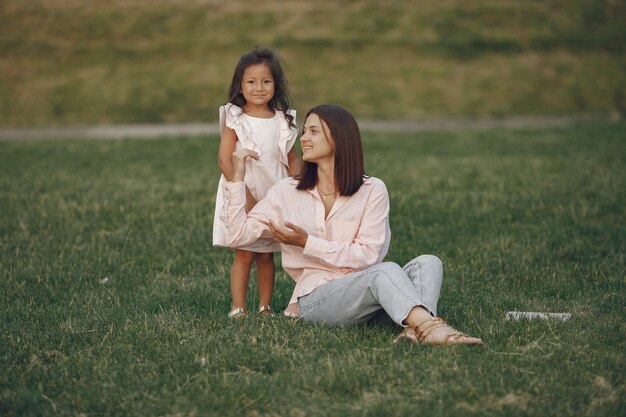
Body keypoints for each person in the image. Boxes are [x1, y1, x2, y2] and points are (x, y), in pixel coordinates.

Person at [218, 104, 483, 345]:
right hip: (316, 298)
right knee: (384, 272)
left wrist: (306, 243)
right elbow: (236, 235)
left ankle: (413, 330)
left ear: (339, 138)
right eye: (304, 132)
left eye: (314, 131)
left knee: (429, 262)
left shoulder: (372, 189)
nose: (304, 139)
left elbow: (368, 255)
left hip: (365, 294)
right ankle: (431, 328)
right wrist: (237, 179)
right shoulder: (286, 191)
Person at [212, 47, 299, 318]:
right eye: (251, 82)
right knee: (245, 252)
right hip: (244, 189)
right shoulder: (235, 117)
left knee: (266, 254)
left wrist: (300, 188)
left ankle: (265, 306)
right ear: (240, 84)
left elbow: (291, 160)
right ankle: (238, 307)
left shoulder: (283, 119)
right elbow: (225, 160)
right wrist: (245, 197)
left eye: (266, 81)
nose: (259, 88)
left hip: (274, 191)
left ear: (276, 84)